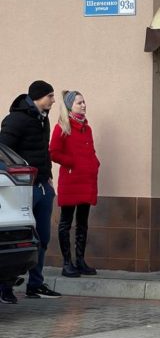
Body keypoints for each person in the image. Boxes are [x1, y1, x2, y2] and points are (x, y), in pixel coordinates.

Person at [0, 80, 62, 299]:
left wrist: (49, 178)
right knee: (15, 240)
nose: (53, 100)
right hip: (21, 189)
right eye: (50, 96)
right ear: (38, 96)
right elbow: (3, 151)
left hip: (43, 188)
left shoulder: (42, 119)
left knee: (42, 238)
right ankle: (5, 289)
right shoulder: (15, 120)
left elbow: (44, 152)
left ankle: (35, 284)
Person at [50, 90, 100, 277]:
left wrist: (94, 163)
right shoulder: (62, 126)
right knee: (66, 222)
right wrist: (72, 163)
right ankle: (67, 263)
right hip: (71, 181)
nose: (84, 105)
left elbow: (91, 151)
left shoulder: (87, 128)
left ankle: (80, 261)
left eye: (84, 102)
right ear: (71, 106)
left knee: (82, 223)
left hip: (86, 181)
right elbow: (53, 152)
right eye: (80, 103)